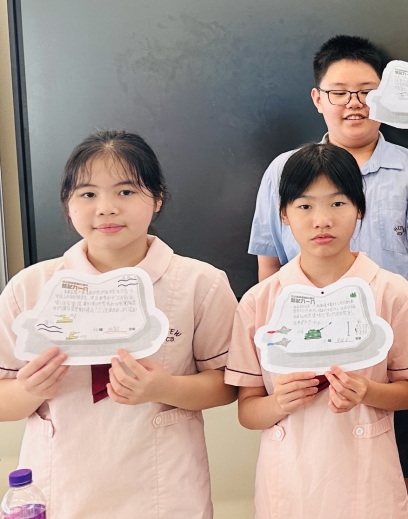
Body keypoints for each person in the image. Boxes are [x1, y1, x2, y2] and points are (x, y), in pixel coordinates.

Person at [248, 35, 408, 516]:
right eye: (340, 92)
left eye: (367, 91)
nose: (354, 103)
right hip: (306, 336)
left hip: (401, 337)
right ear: (317, 98)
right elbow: (268, 262)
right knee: (315, 476)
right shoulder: (284, 170)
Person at [0, 131, 238, 518]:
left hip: (162, 492)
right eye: (87, 194)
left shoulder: (201, 283)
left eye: (126, 191)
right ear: (68, 204)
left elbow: (229, 384)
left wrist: (167, 387)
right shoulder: (29, 288)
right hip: (60, 488)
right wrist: (28, 390)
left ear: (157, 198)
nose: (106, 208)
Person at [228, 143, 408, 519]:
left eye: (338, 203)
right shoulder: (260, 302)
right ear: (284, 214)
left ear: (359, 209)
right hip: (290, 485)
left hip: (368, 482)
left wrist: (368, 392)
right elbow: (247, 411)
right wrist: (278, 403)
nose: (322, 220)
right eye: (305, 206)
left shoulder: (393, 293)